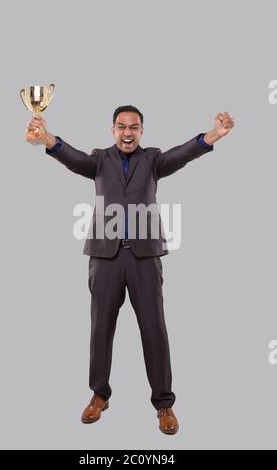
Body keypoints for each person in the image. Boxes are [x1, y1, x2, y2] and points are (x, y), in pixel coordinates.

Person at [26, 105, 234, 435]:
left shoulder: (153, 160)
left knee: (154, 329)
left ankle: (164, 404)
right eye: (122, 126)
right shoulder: (99, 160)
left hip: (144, 258)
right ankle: (99, 395)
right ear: (112, 130)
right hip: (105, 258)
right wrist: (46, 136)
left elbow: (181, 154)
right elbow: (73, 158)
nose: (127, 132)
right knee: (101, 330)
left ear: (141, 131)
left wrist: (213, 136)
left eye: (134, 127)